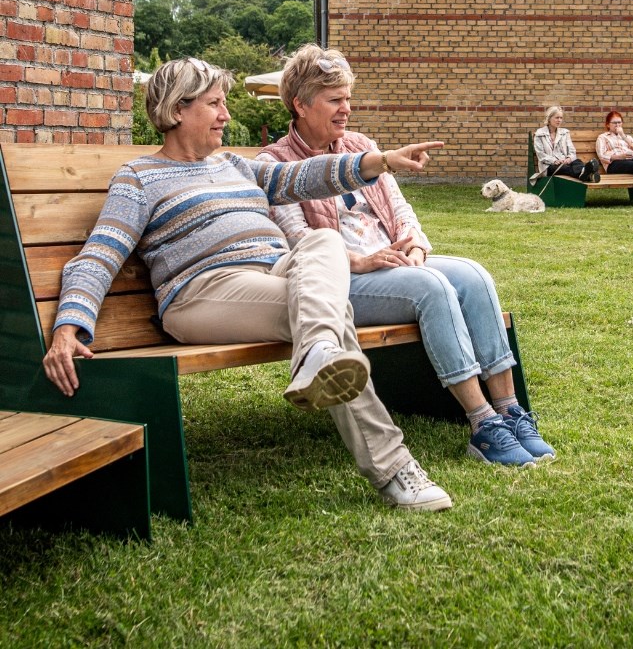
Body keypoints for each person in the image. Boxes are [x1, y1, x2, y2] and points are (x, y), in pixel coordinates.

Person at [43, 57, 454, 513]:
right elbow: (99, 254)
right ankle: (394, 468)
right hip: (202, 291)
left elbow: (302, 177)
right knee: (331, 318)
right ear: (178, 110)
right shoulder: (139, 178)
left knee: (322, 240)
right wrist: (69, 327)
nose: (227, 115)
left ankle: (319, 355)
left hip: (273, 275)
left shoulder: (234, 166)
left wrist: (380, 161)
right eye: (215, 104)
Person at [257, 44, 555, 469]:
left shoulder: (361, 145)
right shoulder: (276, 162)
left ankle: (509, 409)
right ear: (300, 104)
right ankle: (482, 421)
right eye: (334, 100)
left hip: (395, 262)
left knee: (474, 275)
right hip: (342, 280)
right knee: (430, 287)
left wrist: (414, 243)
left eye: (348, 99)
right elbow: (298, 238)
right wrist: (361, 260)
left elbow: (399, 208)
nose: (346, 110)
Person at [532, 106, 600, 183]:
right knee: (566, 168)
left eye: (561, 118)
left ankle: (587, 175)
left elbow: (572, 151)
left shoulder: (564, 133)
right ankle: (586, 173)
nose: (559, 120)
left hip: (565, 162)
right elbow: (541, 155)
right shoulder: (540, 134)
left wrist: (569, 158)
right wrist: (554, 161)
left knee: (577, 161)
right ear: (549, 118)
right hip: (549, 166)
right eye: (557, 118)